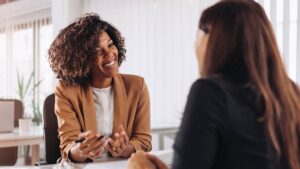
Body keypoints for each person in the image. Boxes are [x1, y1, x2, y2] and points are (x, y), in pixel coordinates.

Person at [127, 0, 300, 169]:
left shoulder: (210, 92)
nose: (195, 44)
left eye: (198, 35)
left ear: (215, 39)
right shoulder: (290, 93)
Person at [48, 13, 152, 162]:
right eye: (98, 51)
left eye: (110, 45)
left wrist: (125, 149)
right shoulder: (66, 90)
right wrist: (81, 151)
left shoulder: (137, 86)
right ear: (82, 59)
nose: (109, 54)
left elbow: (144, 141)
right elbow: (68, 147)